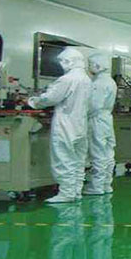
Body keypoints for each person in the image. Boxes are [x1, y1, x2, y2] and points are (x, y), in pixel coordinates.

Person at [28, 48, 92, 203]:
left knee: (63, 159)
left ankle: (66, 193)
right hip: (81, 124)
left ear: (70, 61)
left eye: (63, 61)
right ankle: (75, 191)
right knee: (78, 160)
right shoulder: (86, 79)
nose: (62, 64)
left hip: (66, 125)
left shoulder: (67, 79)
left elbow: (50, 98)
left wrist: (32, 101)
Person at [83, 52, 116, 195]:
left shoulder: (98, 83)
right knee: (108, 153)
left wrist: (81, 114)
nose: (89, 68)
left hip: (97, 120)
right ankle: (106, 185)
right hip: (107, 119)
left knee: (97, 153)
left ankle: (96, 187)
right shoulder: (110, 81)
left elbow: (94, 106)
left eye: (90, 64)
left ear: (97, 65)